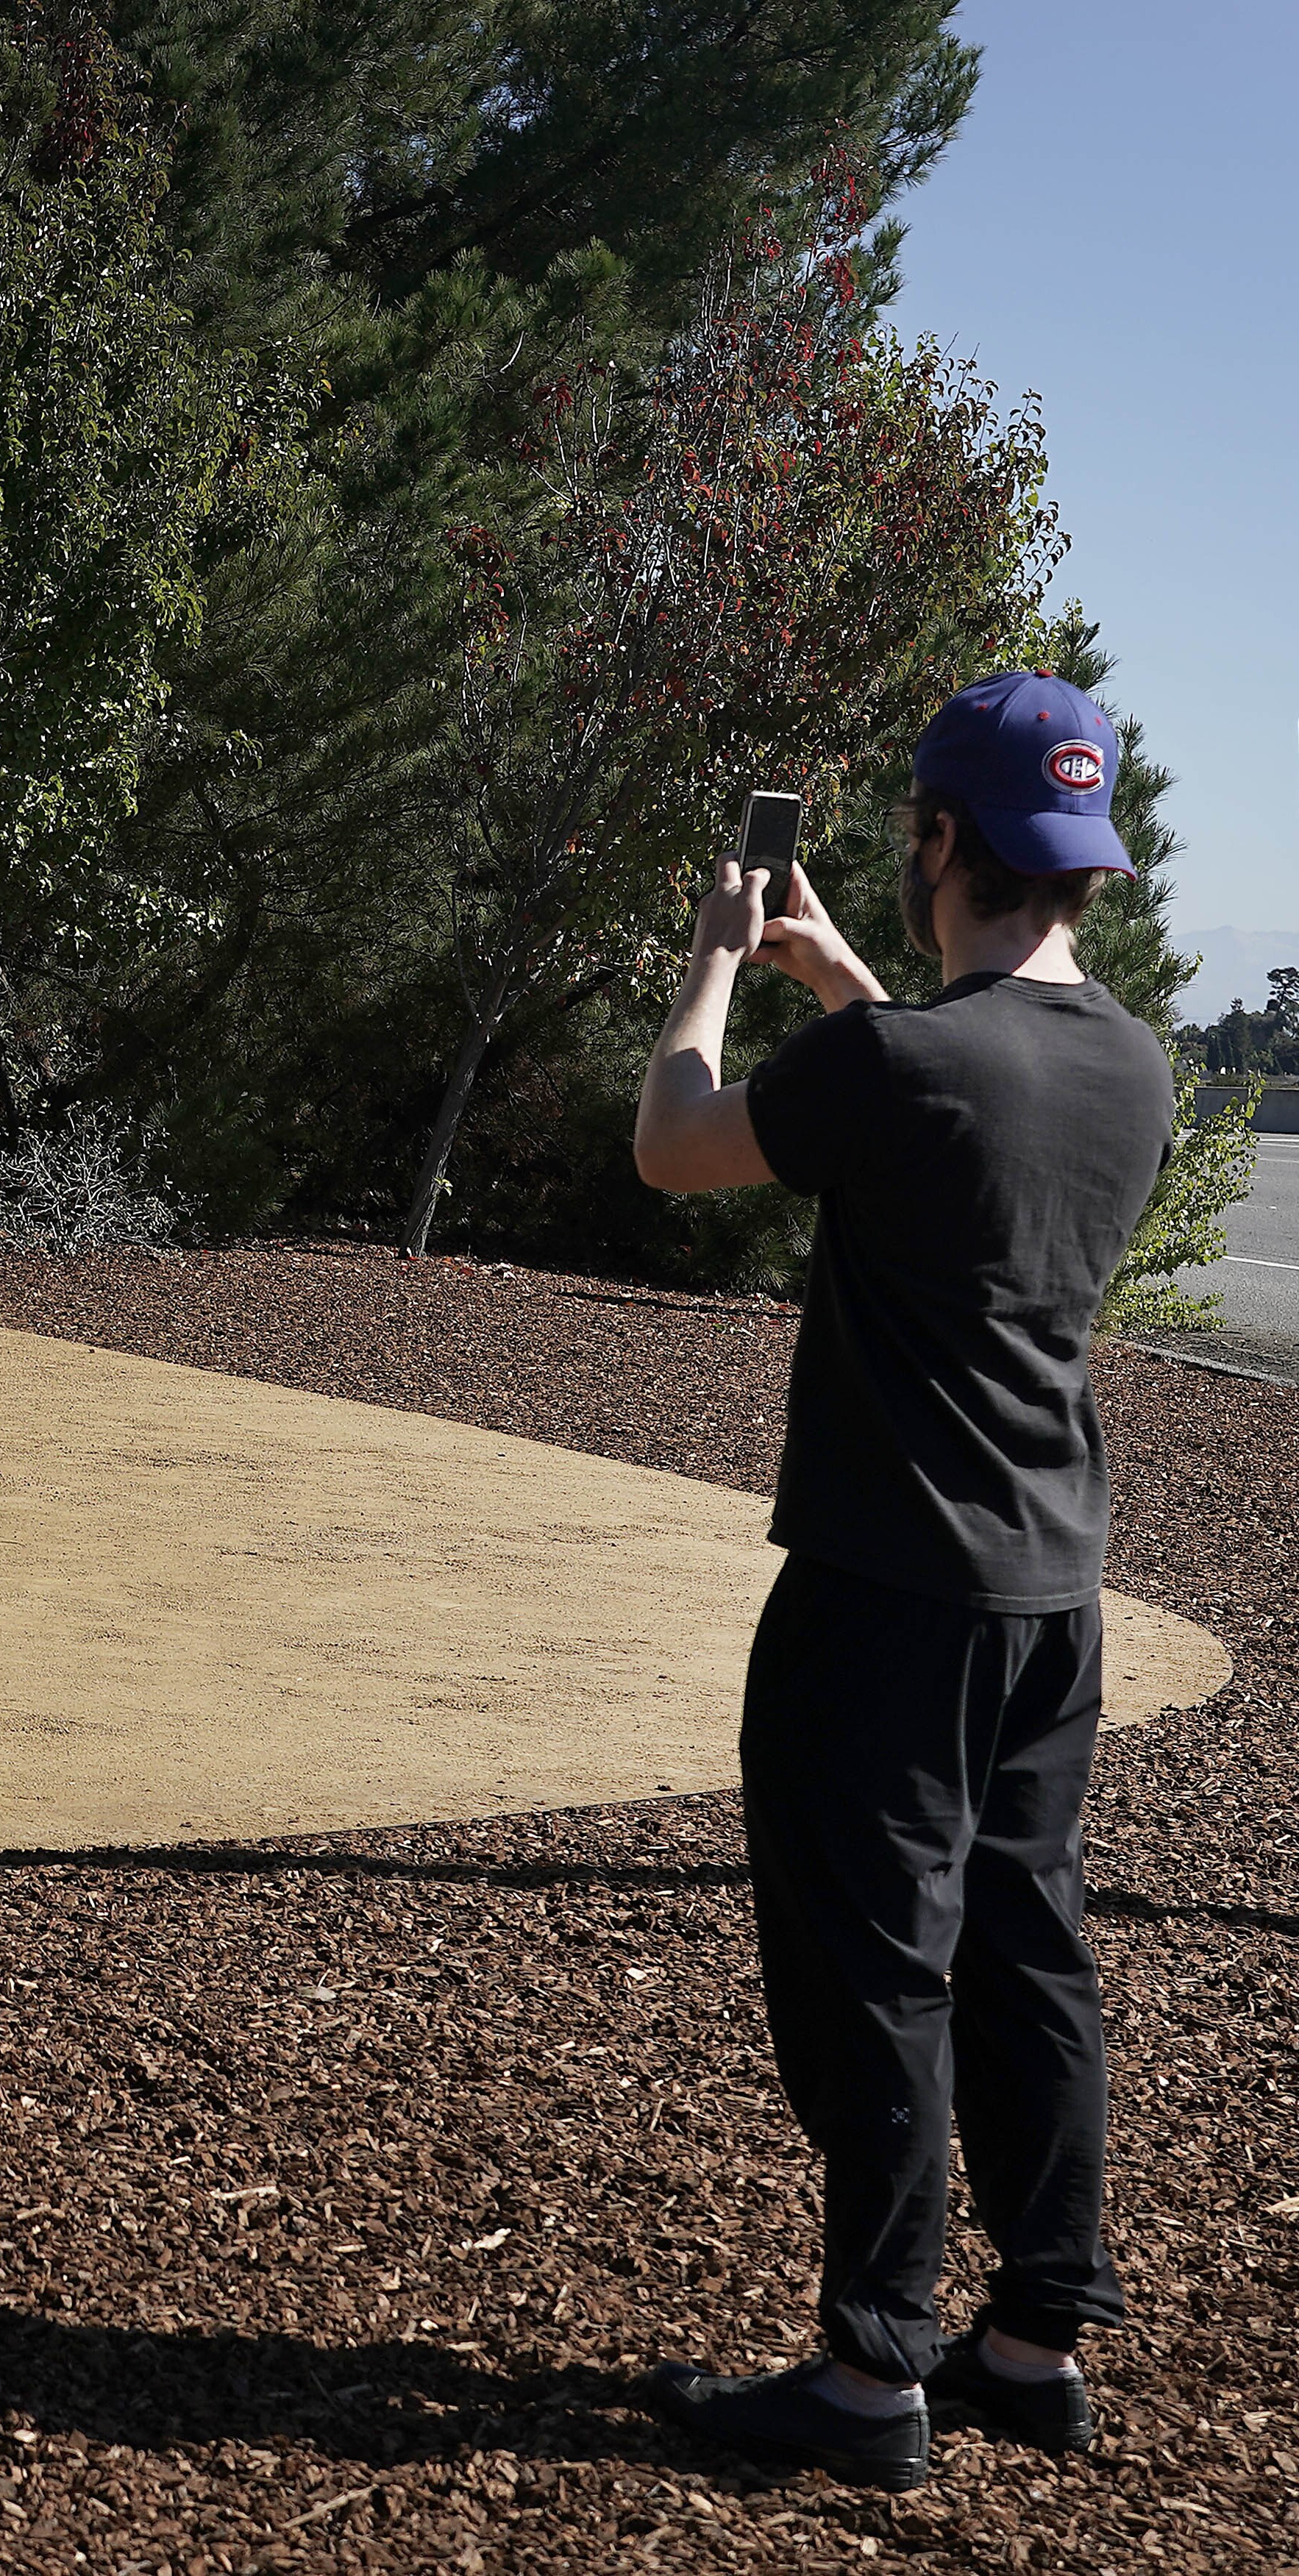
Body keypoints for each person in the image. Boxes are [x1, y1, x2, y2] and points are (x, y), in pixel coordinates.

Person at [624, 669, 1178, 2492]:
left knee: (877, 1976)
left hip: (882, 1598)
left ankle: (870, 2377)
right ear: (1080, 860)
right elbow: (961, 1102)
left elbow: (675, 1144)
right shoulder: (1129, 1062)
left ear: (941, 837)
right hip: (1048, 1599)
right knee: (1029, 1949)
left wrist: (717, 957)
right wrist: (848, 982)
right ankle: (1032, 2339)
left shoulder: (901, 1063)